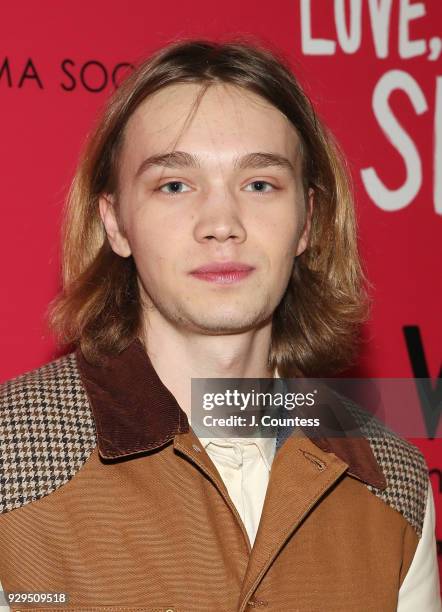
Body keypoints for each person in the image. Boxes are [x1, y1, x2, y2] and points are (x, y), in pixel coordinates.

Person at [0, 38, 440, 611]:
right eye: (174, 185)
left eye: (259, 184)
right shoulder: (10, 456)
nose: (222, 222)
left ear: (307, 220)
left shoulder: (396, 482)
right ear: (115, 223)